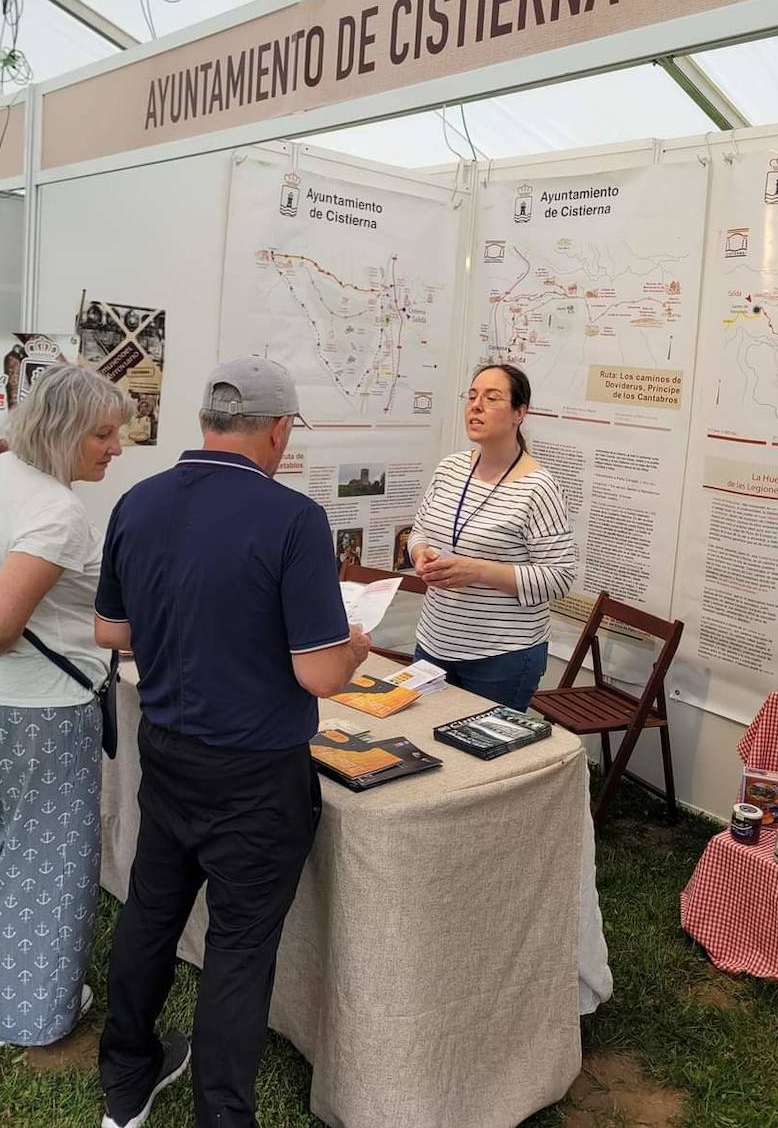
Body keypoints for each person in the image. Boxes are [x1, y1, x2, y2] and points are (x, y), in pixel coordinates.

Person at [94, 356, 371, 1128]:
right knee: (239, 948)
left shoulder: (138, 501)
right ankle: (222, 1116)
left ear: (207, 423)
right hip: (256, 771)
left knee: (152, 911)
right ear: (278, 430)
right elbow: (317, 675)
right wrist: (352, 648)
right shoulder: (292, 518)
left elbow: (110, 630)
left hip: (168, 746)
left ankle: (125, 1075)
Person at [0, 364, 131, 1048]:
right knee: (50, 861)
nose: (115, 447)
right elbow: (0, 623)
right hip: (45, 708)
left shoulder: (0, 471)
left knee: (6, 837)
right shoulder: (56, 511)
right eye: (103, 434)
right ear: (63, 429)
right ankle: (25, 1014)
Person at [408, 362, 577, 710]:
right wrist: (420, 552)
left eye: (491, 398)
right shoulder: (450, 468)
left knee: (484, 762)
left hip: (501, 656)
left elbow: (559, 578)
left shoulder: (538, 487)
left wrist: (480, 571)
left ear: (520, 412)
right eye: (471, 396)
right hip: (434, 641)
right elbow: (419, 531)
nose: (476, 406)